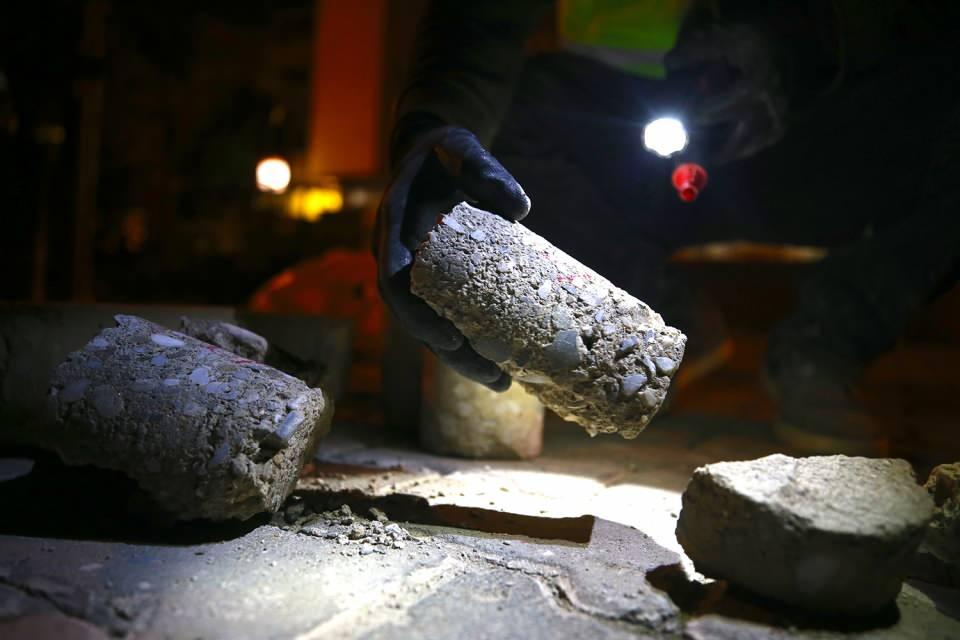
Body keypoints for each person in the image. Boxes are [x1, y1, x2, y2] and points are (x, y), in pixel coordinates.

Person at [375, 0, 960, 454]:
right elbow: (476, 25)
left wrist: (802, 40)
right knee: (505, 132)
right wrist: (431, 127)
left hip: (804, 124)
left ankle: (825, 344)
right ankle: (665, 325)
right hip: (624, 128)